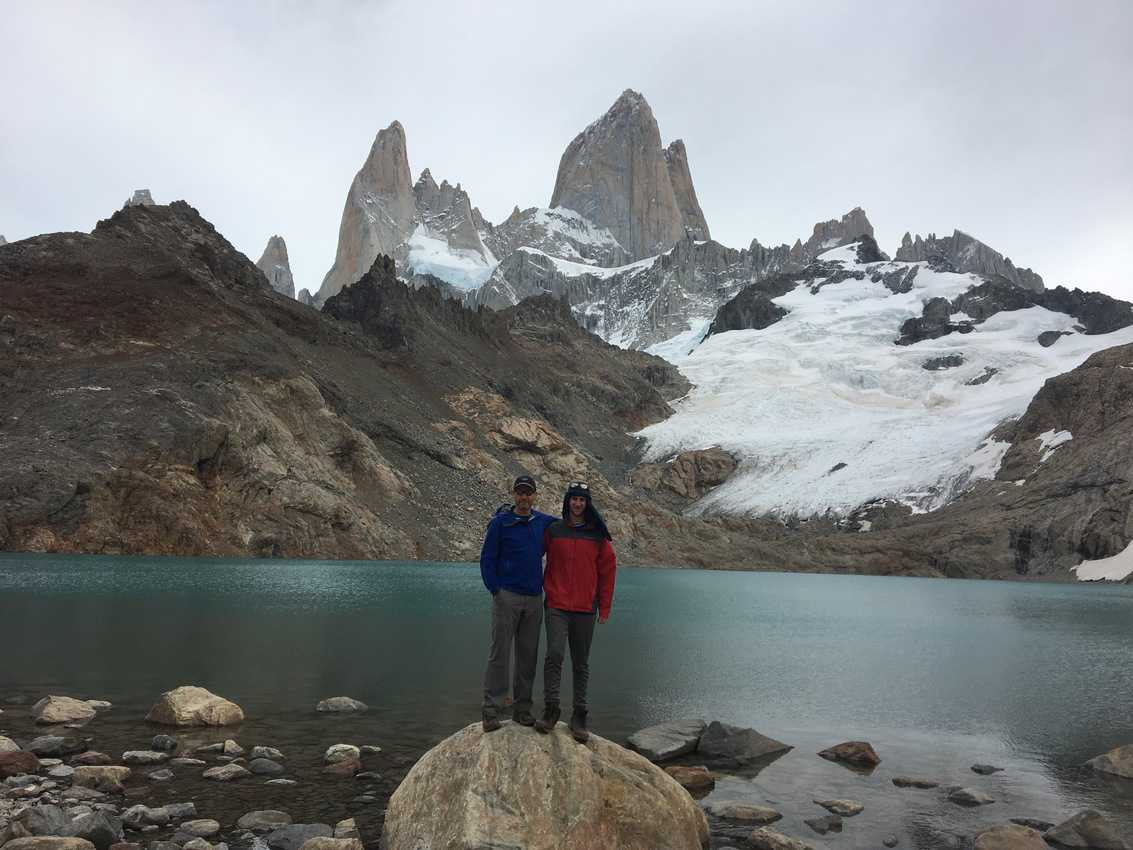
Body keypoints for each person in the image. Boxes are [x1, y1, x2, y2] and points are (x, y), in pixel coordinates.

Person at [535, 481, 616, 743]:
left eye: (582, 500)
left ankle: (579, 715)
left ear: (587, 504)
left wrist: (604, 607)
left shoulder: (597, 535)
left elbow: (607, 573)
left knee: (581, 663)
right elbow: (531, 552)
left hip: (585, 608)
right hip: (557, 605)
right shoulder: (554, 530)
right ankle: (551, 709)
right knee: (554, 654)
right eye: (574, 499)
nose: (577, 504)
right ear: (567, 502)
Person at [479, 474, 557, 732]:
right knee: (499, 654)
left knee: (528, 657)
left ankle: (522, 710)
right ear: (514, 494)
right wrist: (495, 589)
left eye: (529, 492)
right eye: (520, 492)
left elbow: (570, 525)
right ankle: (491, 711)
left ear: (535, 496)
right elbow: (488, 558)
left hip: (534, 598)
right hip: (507, 596)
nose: (524, 497)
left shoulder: (542, 522)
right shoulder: (501, 523)